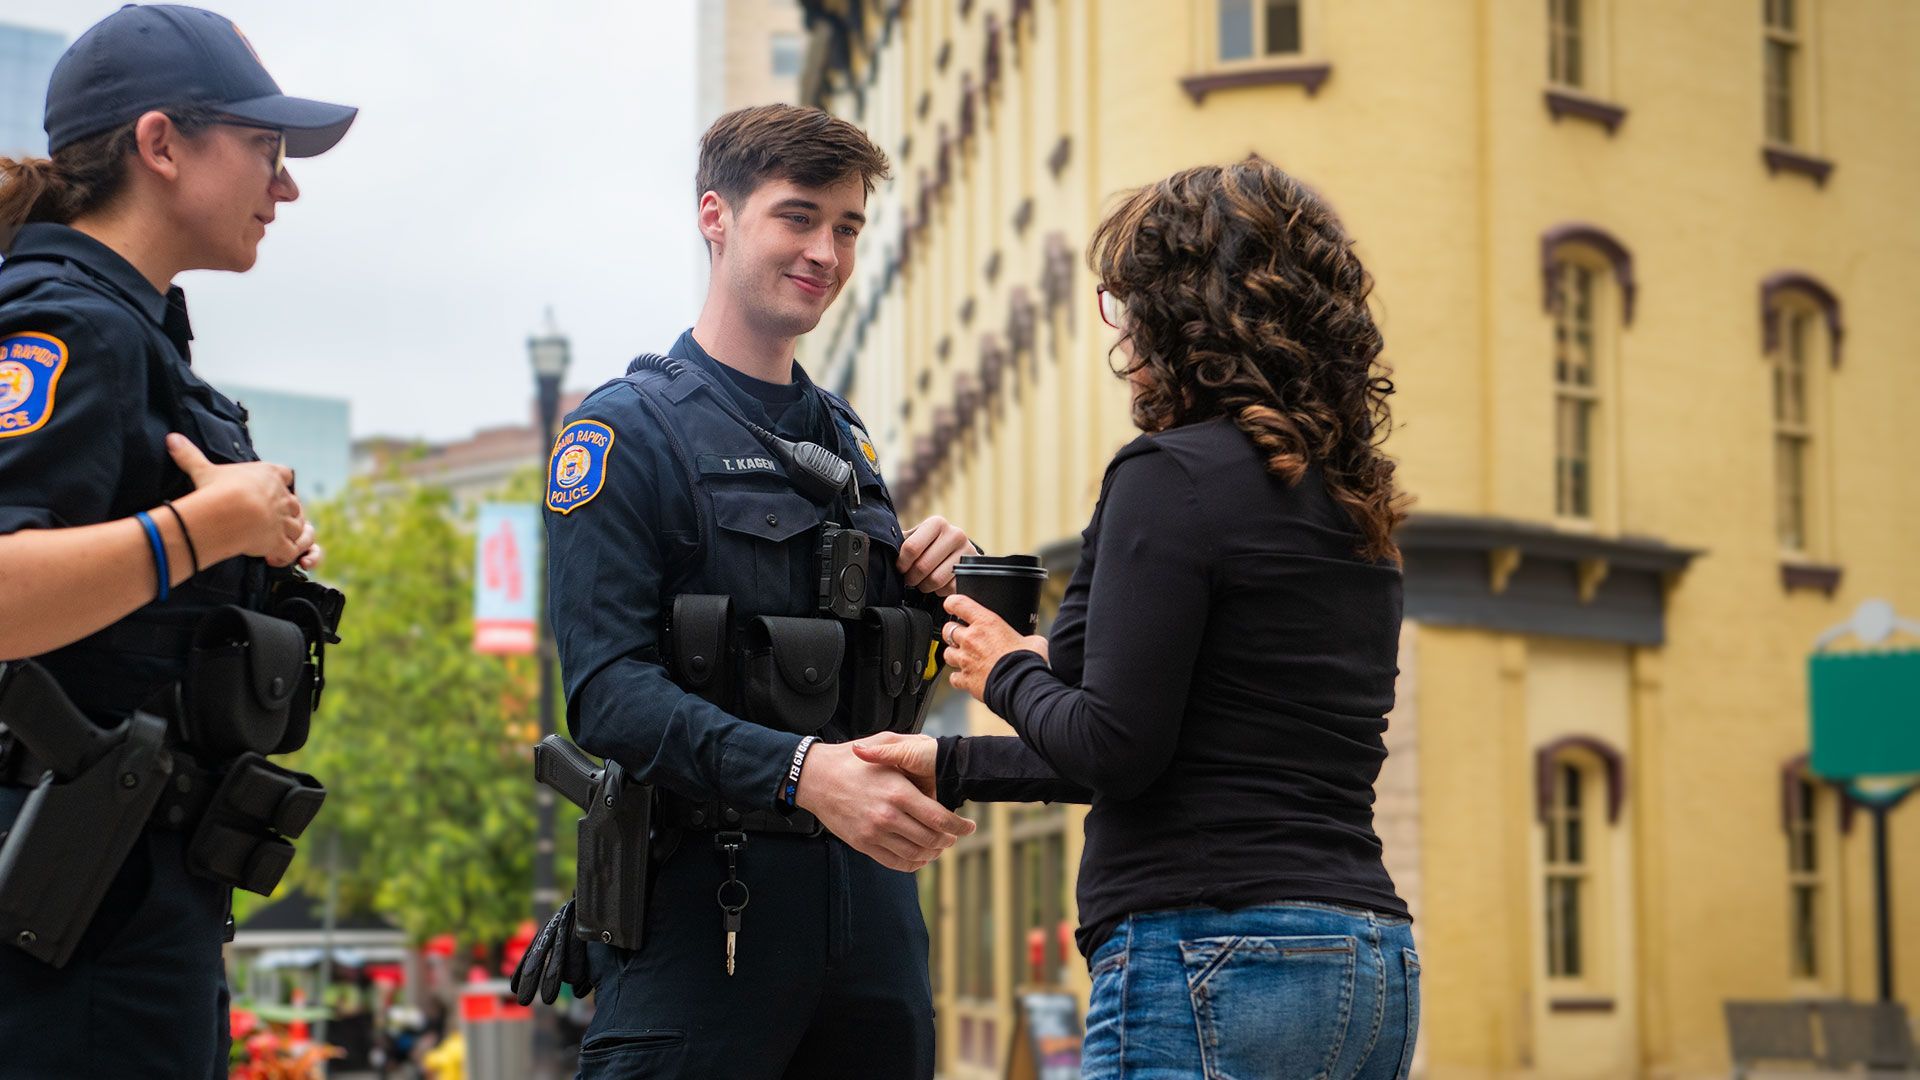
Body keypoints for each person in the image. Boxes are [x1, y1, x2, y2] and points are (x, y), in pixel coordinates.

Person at [855, 158, 1422, 1079]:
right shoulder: (1352, 501)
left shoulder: (1170, 476)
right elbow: (1167, 745)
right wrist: (946, 760)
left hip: (1211, 954)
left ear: (1177, 314)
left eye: (1124, 302)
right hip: (1365, 960)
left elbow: (1113, 745)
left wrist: (1004, 666)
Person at [542, 104, 977, 1078]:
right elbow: (606, 692)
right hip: (706, 915)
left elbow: (890, 689)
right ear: (717, 217)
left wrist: (947, 591)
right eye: (798, 216)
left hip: (871, 921)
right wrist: (799, 771)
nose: (826, 250)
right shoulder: (624, 434)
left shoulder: (849, 441)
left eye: (849, 226)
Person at [0, 6, 354, 1076]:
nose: (284, 187)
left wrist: (251, 553)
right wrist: (207, 528)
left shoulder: (139, 335)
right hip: (68, 919)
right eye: (265, 149)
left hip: (131, 897)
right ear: (161, 144)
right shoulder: (69, 325)